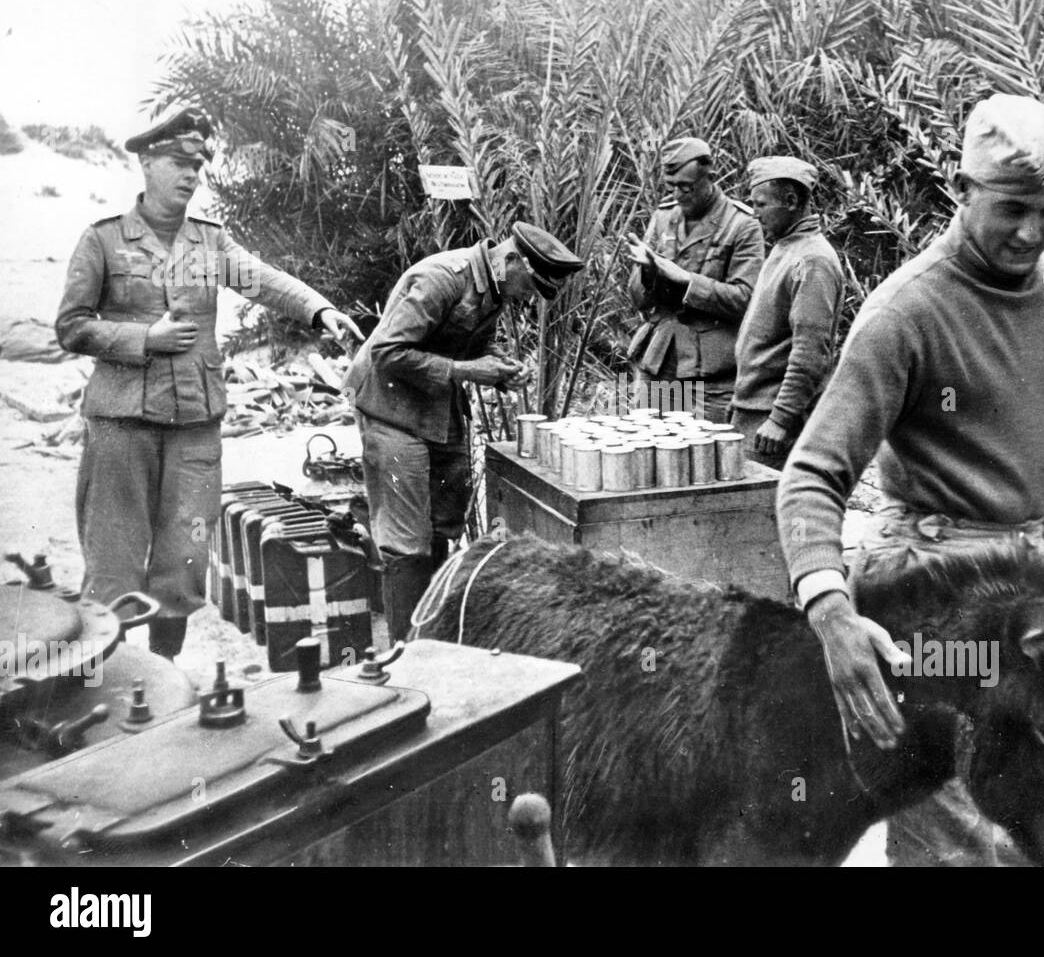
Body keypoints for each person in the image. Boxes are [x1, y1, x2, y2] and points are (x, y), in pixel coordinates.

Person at [777, 94, 1044, 866]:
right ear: (961, 190)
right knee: (954, 845)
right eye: (1011, 209)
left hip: (1033, 593)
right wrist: (831, 613)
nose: (1032, 232)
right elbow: (811, 474)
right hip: (931, 601)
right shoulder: (905, 313)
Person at [57, 106, 362, 658]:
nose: (190, 175)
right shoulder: (101, 241)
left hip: (195, 424)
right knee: (115, 562)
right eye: (178, 162)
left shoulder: (210, 243)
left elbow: (265, 281)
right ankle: (108, 685)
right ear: (147, 163)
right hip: (120, 425)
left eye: (197, 165)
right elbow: (71, 328)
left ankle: (164, 673)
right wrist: (145, 339)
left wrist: (320, 310)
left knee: (185, 558)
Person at [344, 222, 583, 642]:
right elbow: (386, 352)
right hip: (391, 411)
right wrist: (470, 371)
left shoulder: (494, 287)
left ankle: (432, 638)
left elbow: (472, 346)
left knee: (441, 526)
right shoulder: (440, 280)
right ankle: (407, 657)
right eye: (531, 285)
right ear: (512, 260)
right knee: (406, 541)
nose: (528, 298)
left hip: (438, 411)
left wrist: (500, 368)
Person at [625, 137, 765, 422]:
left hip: (711, 371)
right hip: (659, 359)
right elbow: (637, 298)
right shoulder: (663, 217)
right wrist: (650, 275)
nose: (678, 194)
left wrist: (687, 280)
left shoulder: (742, 225)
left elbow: (745, 299)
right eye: (671, 187)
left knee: (706, 455)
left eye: (686, 187)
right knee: (647, 445)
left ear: (709, 177)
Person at [731, 156, 844, 470]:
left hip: (774, 426)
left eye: (762, 205)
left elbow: (810, 351)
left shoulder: (812, 260)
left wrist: (781, 419)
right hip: (754, 412)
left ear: (791, 201)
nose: (754, 214)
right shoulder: (787, 248)